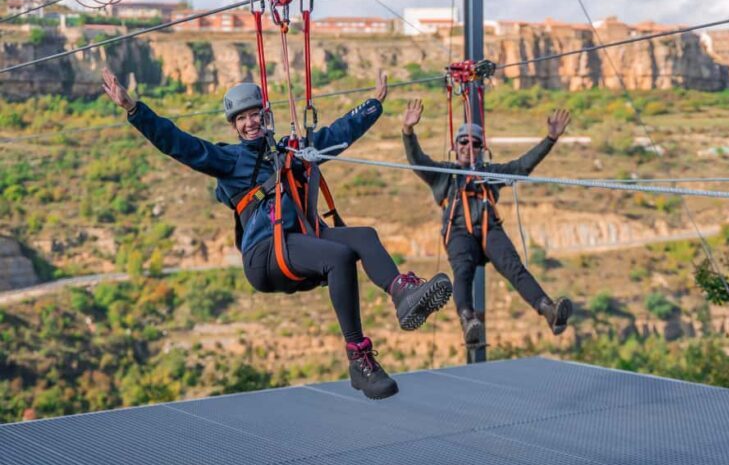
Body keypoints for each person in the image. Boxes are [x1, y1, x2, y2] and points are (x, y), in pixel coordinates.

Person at [102, 68, 453, 400]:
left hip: (298, 241)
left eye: (253, 114)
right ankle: (359, 358)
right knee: (339, 256)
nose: (249, 122)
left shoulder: (291, 151)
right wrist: (134, 109)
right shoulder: (229, 160)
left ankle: (402, 292)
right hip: (266, 254)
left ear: (264, 115)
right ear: (235, 127)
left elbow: (334, 136)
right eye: (241, 118)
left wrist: (373, 105)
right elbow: (179, 143)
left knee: (363, 237)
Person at [401, 98, 572, 345]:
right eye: (464, 141)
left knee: (513, 267)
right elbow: (417, 160)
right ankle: (468, 320)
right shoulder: (444, 175)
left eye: (475, 143)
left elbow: (522, 166)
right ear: (455, 144)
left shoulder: (489, 174)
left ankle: (549, 310)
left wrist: (550, 139)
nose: (468, 146)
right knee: (463, 270)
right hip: (458, 231)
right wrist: (408, 131)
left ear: (482, 148)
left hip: (489, 229)